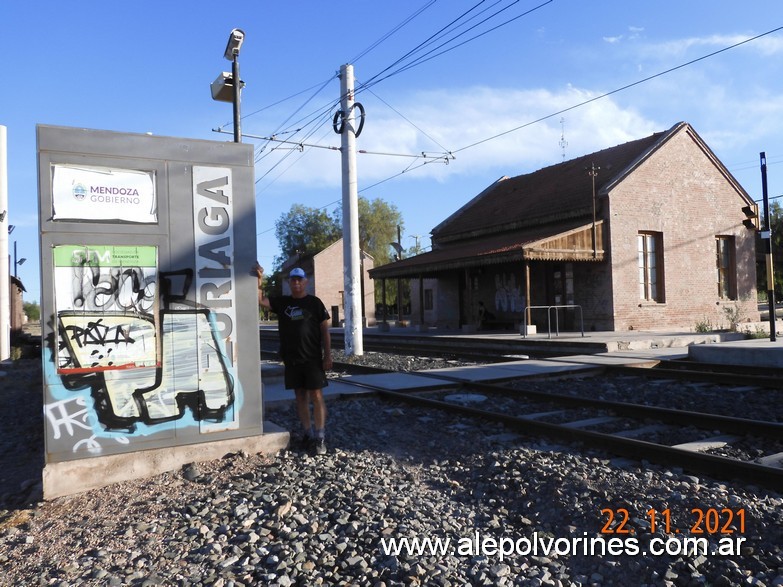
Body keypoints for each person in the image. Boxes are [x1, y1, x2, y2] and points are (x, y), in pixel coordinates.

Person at [255, 263, 333, 455]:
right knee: (300, 397)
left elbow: (325, 331)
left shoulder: (315, 303)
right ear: (290, 283)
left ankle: (320, 436)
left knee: (316, 396)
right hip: (292, 360)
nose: (297, 283)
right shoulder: (283, 303)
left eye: (300, 280)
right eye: (293, 280)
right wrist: (259, 279)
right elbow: (261, 300)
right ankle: (307, 433)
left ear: (305, 282)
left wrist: (328, 355)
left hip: (313, 359)